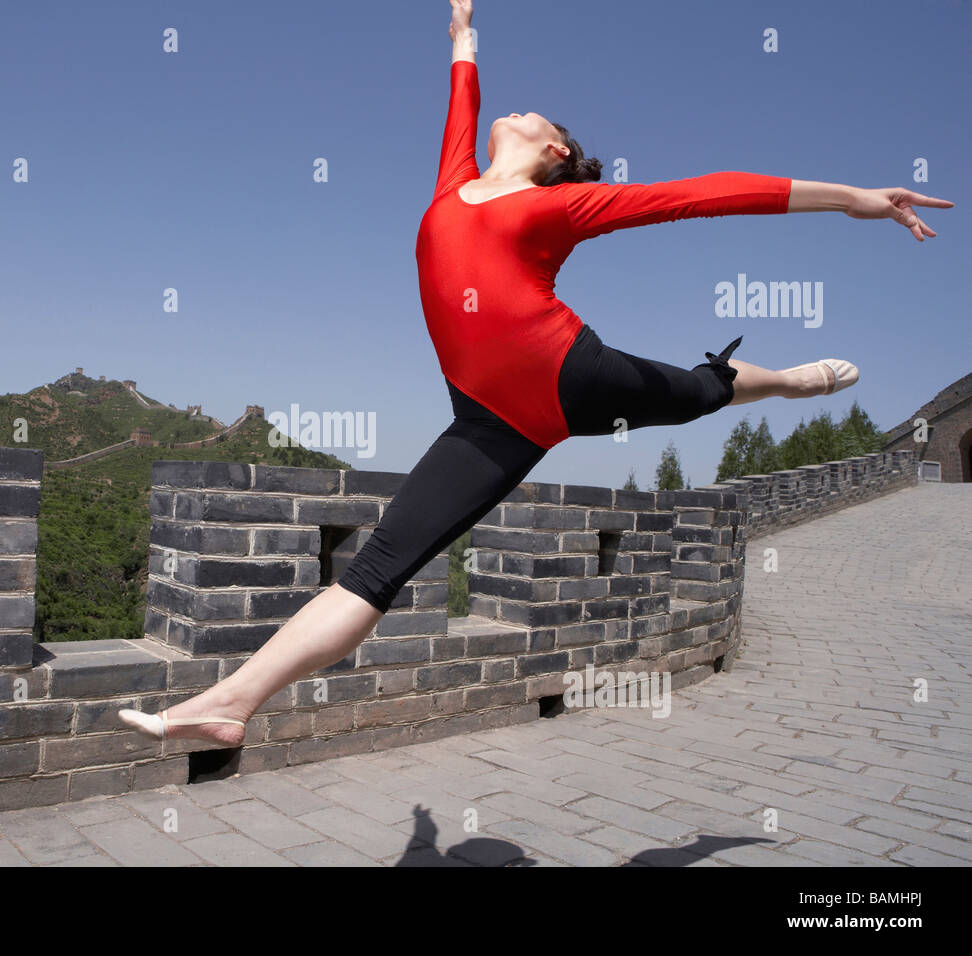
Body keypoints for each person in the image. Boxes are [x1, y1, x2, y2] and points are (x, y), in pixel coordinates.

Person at [119, 0, 952, 745]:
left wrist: (850, 197)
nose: (511, 108)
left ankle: (787, 381)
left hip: (569, 373)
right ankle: (232, 703)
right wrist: (464, 38)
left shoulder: (557, 206)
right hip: (487, 420)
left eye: (533, 111)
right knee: (378, 568)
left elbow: (703, 193)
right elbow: (461, 109)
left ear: (555, 149)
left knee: (697, 390)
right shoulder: (454, 184)